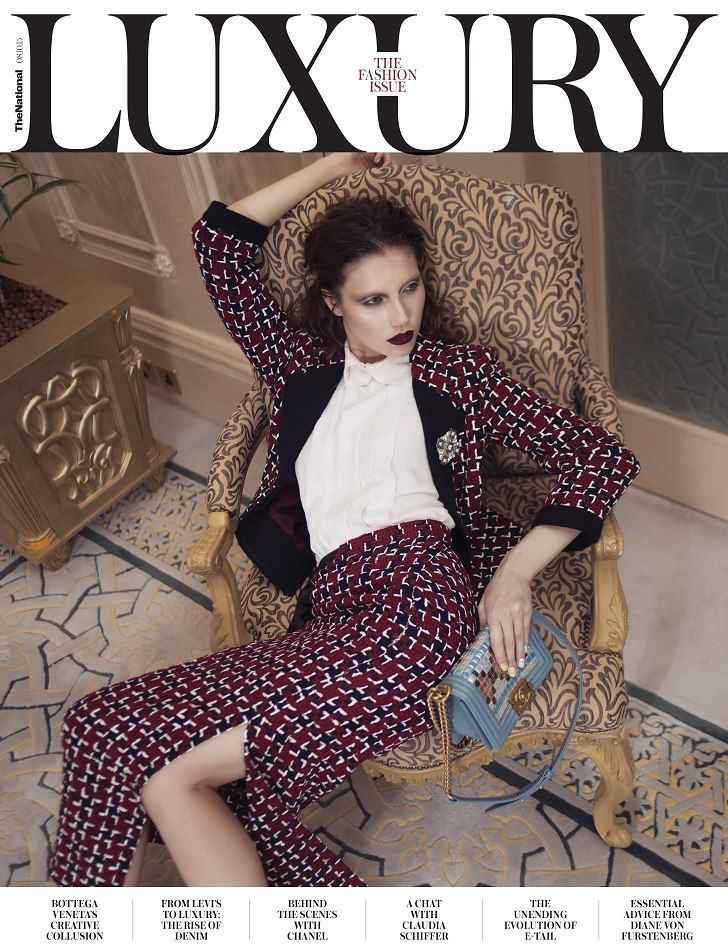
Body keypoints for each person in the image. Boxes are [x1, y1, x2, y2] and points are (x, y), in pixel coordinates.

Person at [48, 152, 640, 888]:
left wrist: (515, 574)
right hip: (331, 607)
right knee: (100, 726)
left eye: (410, 288)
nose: (400, 317)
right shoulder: (298, 371)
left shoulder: (459, 374)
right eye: (372, 299)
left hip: (417, 601)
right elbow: (218, 243)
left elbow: (601, 457)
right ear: (332, 302)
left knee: (171, 776)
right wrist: (334, 164)